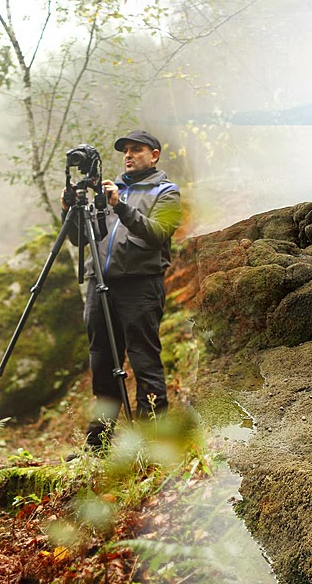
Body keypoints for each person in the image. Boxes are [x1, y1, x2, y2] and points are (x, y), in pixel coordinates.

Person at [62, 130, 182, 451]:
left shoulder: (166, 192)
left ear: (154, 154)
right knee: (102, 366)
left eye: (136, 150)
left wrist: (122, 206)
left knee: (145, 361)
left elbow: (158, 233)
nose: (128, 155)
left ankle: (152, 443)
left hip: (140, 286)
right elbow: (80, 240)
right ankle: (98, 444)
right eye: (125, 151)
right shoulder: (106, 191)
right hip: (100, 285)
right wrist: (69, 210)